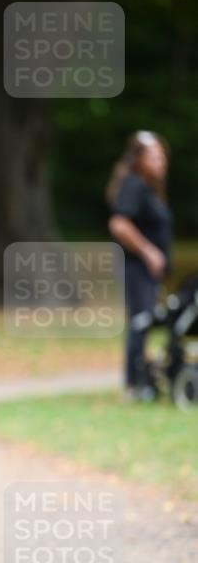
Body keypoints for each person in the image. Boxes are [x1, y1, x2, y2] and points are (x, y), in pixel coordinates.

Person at [107, 130, 173, 401]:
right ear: (138, 160)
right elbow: (119, 224)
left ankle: (142, 379)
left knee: (144, 323)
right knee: (140, 322)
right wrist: (148, 251)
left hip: (147, 273)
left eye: (162, 157)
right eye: (154, 157)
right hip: (136, 269)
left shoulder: (149, 189)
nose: (161, 163)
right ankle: (133, 385)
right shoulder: (134, 185)